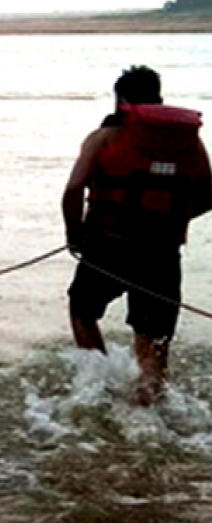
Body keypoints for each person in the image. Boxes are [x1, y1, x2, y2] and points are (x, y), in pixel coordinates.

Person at [62, 66, 212, 405]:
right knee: (153, 338)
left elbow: (73, 189)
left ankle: (99, 388)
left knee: (82, 311)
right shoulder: (189, 142)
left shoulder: (104, 138)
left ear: (121, 100)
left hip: (107, 245)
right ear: (158, 99)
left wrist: (75, 235)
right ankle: (150, 404)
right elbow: (207, 196)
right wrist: (164, 222)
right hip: (161, 253)